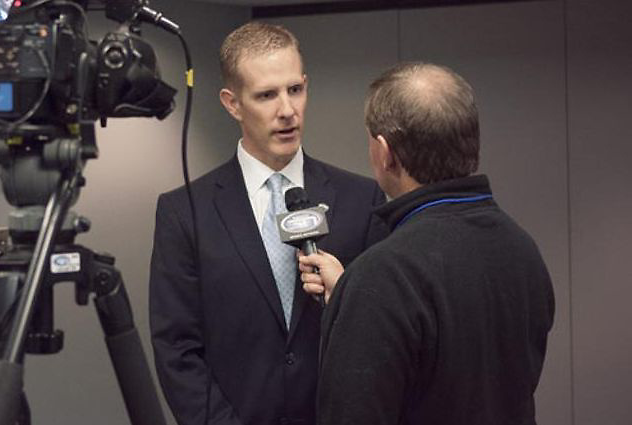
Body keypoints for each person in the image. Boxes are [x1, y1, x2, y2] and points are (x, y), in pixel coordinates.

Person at [149, 22, 387, 425]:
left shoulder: (361, 200)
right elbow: (177, 350)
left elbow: (384, 337)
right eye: (266, 95)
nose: (287, 111)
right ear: (232, 103)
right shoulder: (184, 211)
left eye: (295, 89)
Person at [299, 62, 555, 425]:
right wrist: (351, 295)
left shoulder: (383, 276)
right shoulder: (522, 250)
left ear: (385, 152)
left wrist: (359, 298)